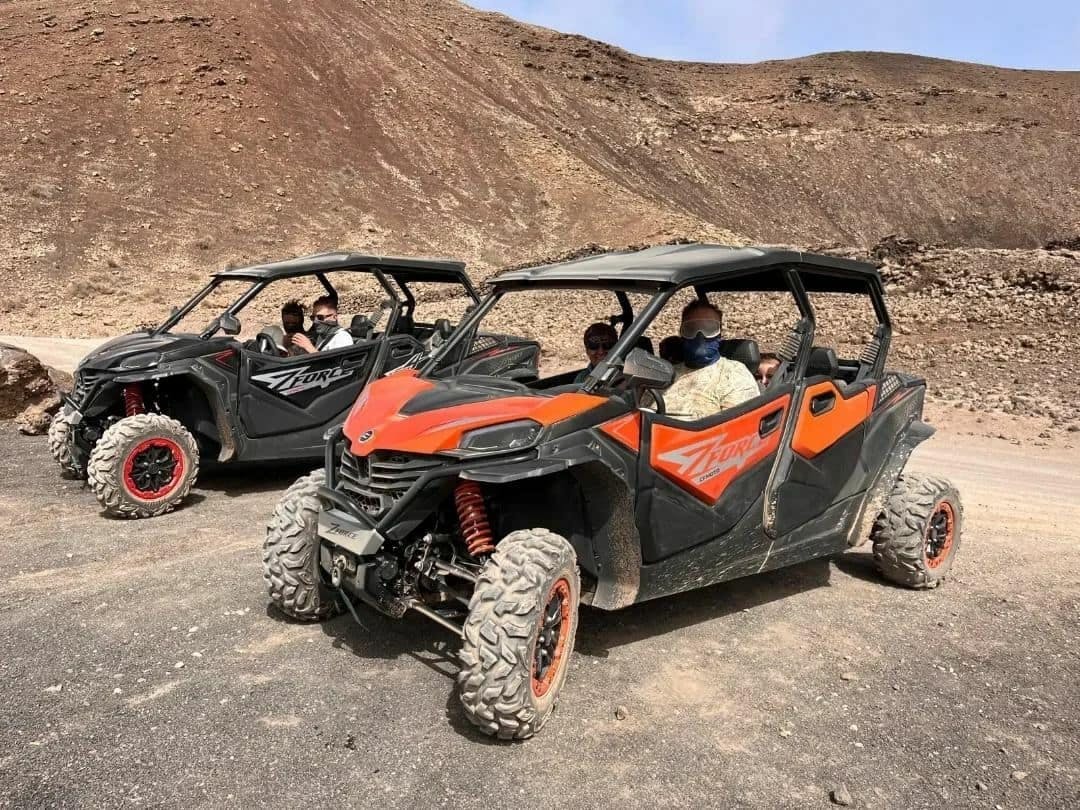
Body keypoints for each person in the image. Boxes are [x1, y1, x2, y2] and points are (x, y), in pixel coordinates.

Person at [664, 300, 759, 420]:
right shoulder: (666, 373)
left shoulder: (734, 374)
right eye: (691, 328)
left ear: (719, 334)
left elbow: (736, 427)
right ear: (682, 333)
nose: (700, 335)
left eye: (709, 328)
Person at [285, 295, 353, 353]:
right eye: (313, 318)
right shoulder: (322, 335)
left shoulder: (342, 338)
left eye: (320, 317)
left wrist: (309, 347)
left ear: (334, 317)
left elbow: (337, 366)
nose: (315, 321)